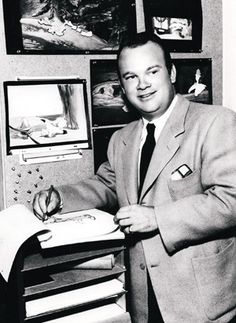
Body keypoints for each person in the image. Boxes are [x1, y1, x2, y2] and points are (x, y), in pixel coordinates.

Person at [33, 32, 236, 323]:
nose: (142, 85)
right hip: (143, 297)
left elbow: (230, 200)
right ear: (122, 85)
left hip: (201, 302)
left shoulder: (215, 122)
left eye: (152, 71)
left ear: (172, 72)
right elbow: (107, 184)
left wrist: (157, 217)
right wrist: (60, 197)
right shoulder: (121, 138)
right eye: (131, 77)